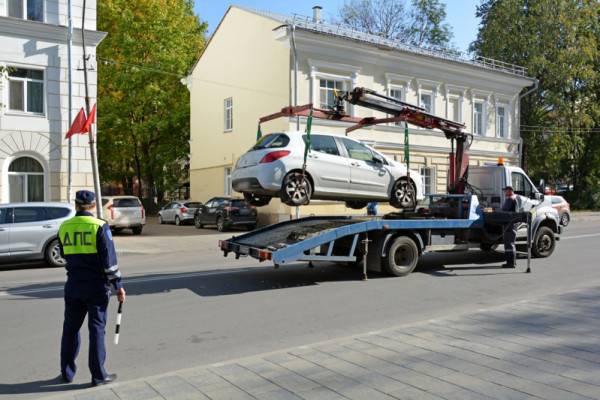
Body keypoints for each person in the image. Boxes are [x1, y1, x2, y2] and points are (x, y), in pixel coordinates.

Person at [58, 190, 126, 386]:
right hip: (96, 286)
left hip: (73, 285)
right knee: (96, 329)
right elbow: (109, 262)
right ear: (94, 205)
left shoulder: (64, 226)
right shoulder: (99, 226)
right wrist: (118, 286)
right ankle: (98, 375)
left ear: (76, 204)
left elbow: (64, 253)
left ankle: (67, 372)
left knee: (70, 329)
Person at [501, 186, 518, 268]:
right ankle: (513, 262)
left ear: (510, 191)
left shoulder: (510, 199)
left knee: (509, 244)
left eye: (506, 191)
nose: (504, 192)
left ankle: (510, 263)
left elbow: (504, 210)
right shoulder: (515, 198)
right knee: (512, 243)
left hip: (509, 224)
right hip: (513, 223)